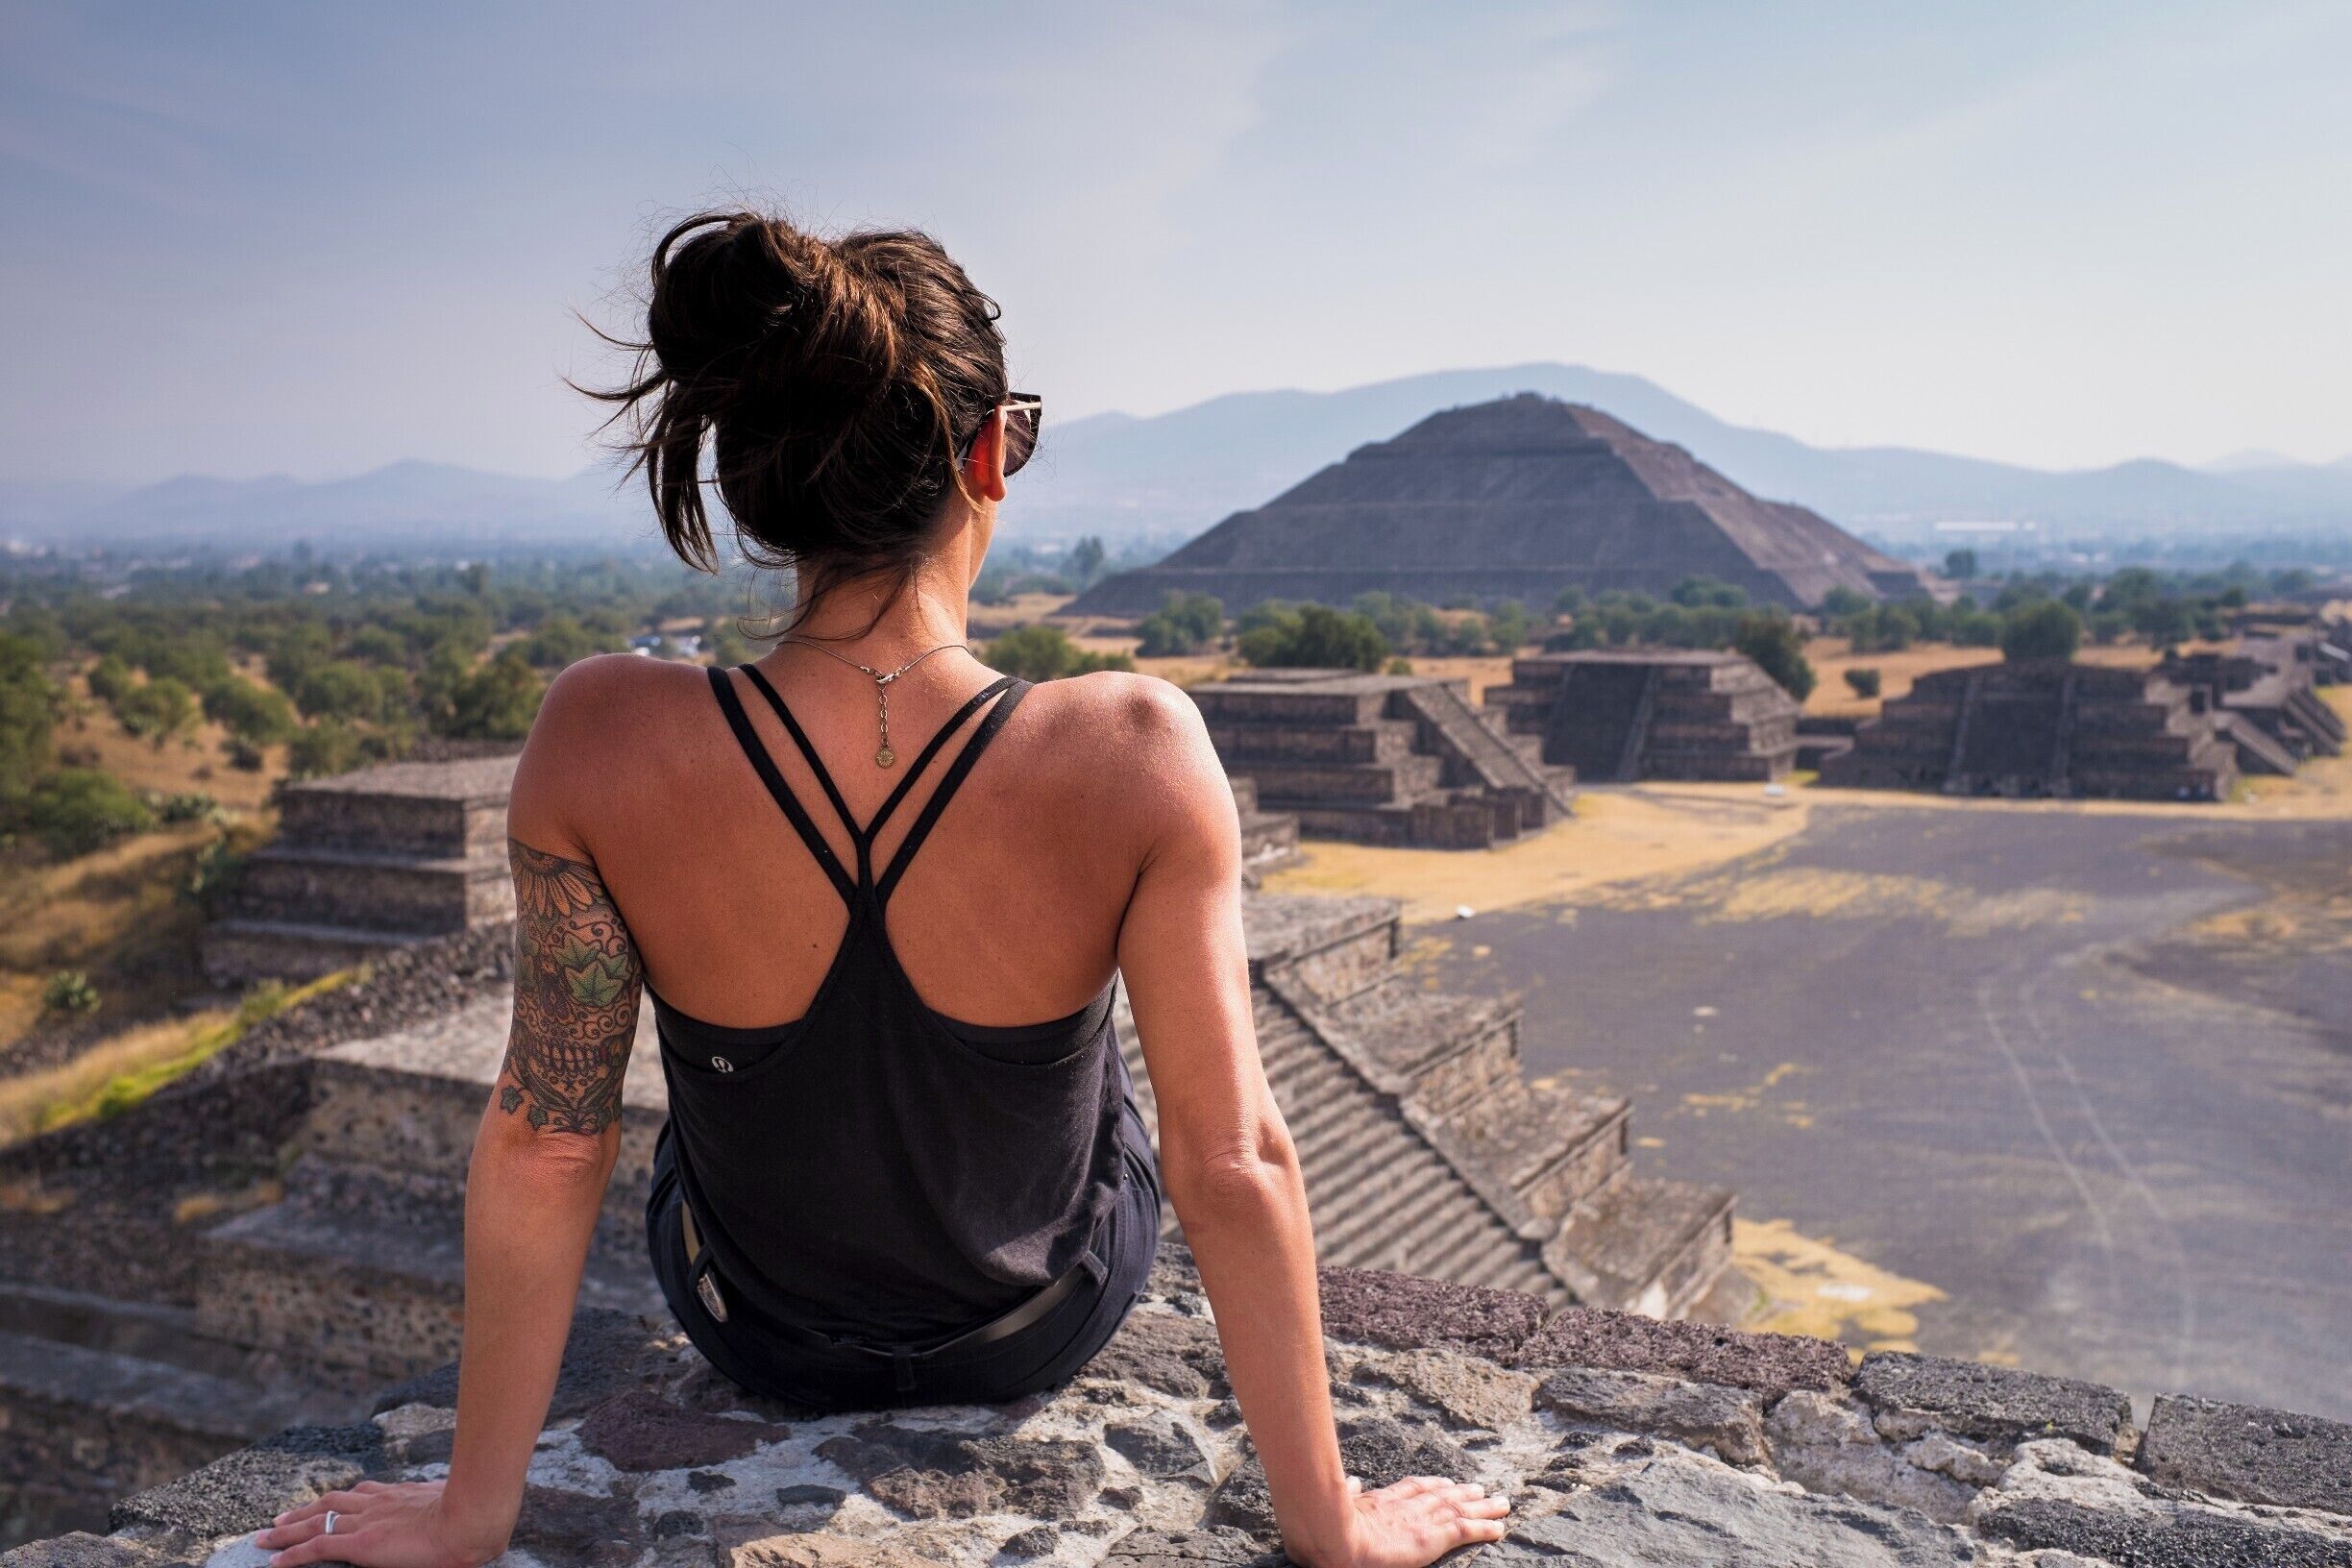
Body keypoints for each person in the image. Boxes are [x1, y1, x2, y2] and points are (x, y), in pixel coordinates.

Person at [254, 210, 1509, 1568]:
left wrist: (468, 1517)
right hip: (1038, 1325)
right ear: (988, 457)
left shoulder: (600, 734)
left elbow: (550, 1137)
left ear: (752, 481)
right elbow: (1233, 1160)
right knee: (1120, 1094)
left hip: (755, 1329)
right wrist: (1329, 1523)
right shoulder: (1136, 751)